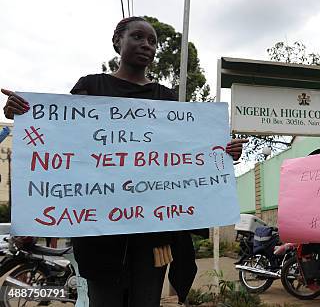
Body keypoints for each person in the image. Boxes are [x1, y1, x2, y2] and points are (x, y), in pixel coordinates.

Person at [2, 16, 246, 307]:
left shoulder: (166, 99)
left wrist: (223, 152)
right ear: (118, 41)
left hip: (153, 240)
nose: (147, 45)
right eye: (138, 37)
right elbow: (62, 138)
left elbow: (187, 154)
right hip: (99, 239)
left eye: (153, 41)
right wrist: (25, 112)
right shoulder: (91, 87)